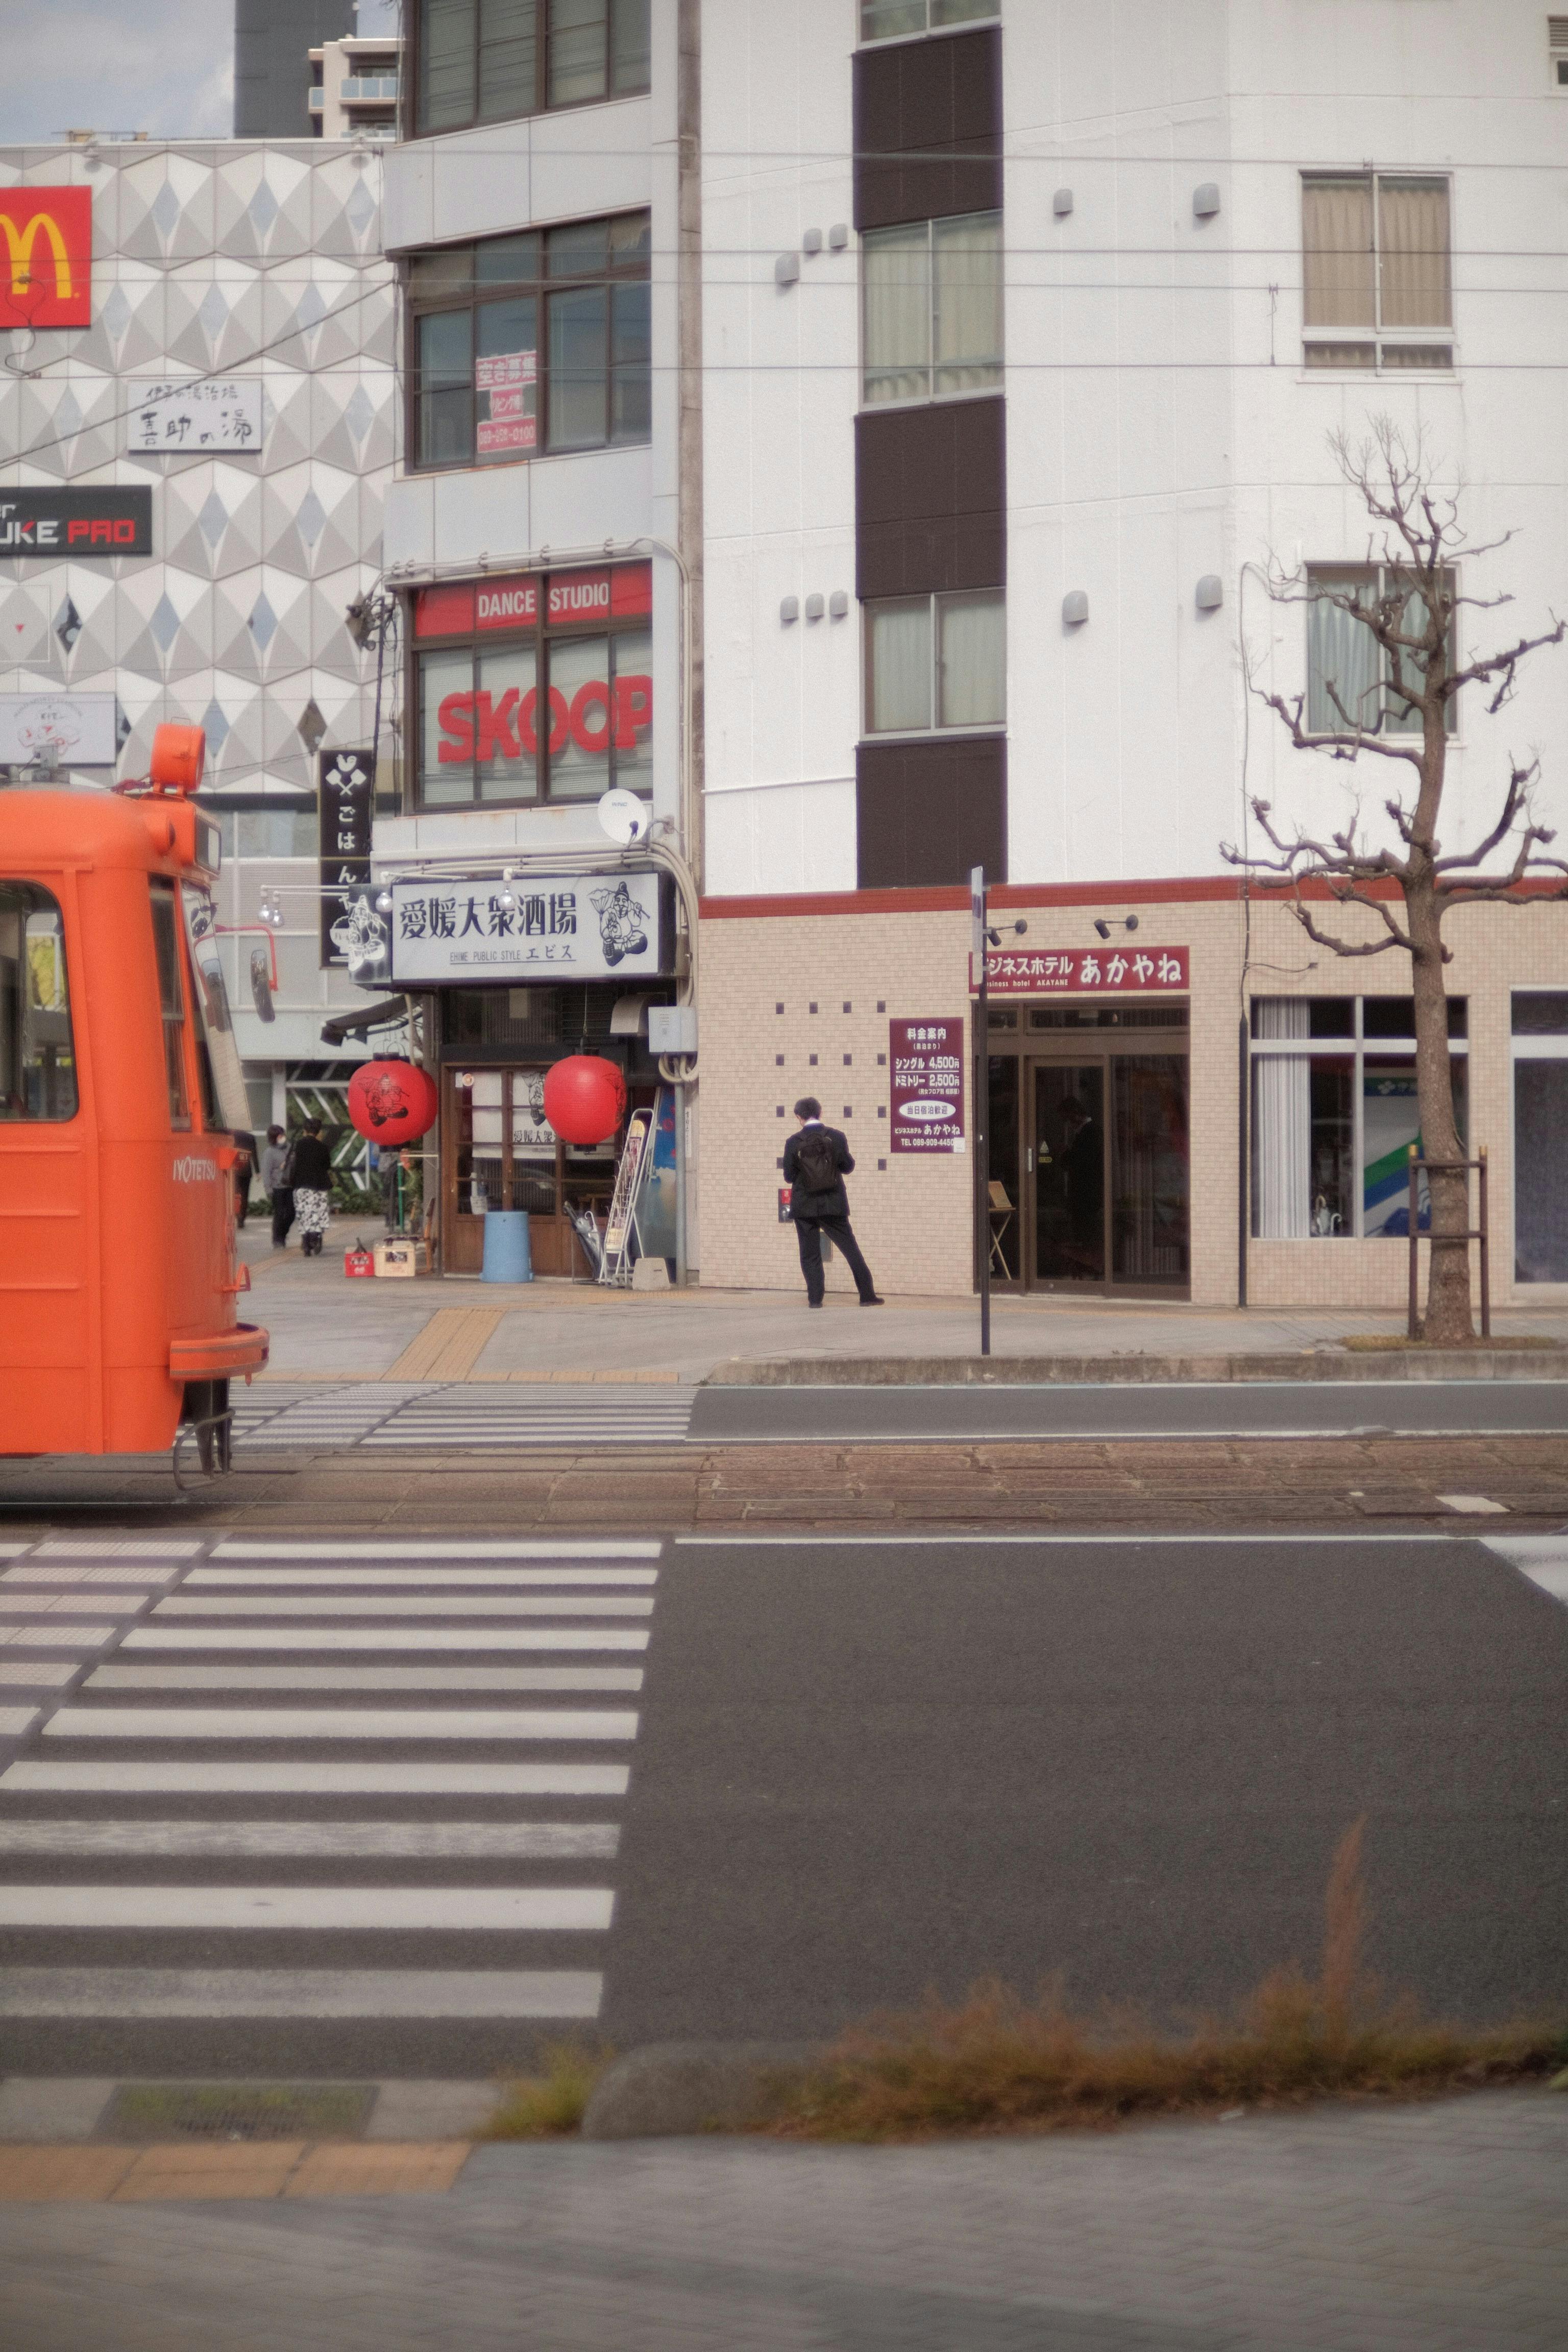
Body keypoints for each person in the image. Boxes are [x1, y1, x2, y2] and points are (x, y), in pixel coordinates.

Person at [781, 1096, 884, 1309]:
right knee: (851, 1250)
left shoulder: (793, 1142)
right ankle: (867, 1296)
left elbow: (789, 1176)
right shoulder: (836, 1137)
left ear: (799, 1117)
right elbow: (848, 1167)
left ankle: (815, 1300)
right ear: (821, 1112)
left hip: (805, 1206)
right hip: (833, 1203)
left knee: (810, 1254)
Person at [288, 1117, 334, 1258]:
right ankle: (315, 1237)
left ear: (304, 1130)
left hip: (301, 1185)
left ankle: (306, 1242)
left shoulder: (299, 1145)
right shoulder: (323, 1147)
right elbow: (327, 1166)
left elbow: (294, 1164)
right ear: (319, 1132)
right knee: (317, 1213)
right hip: (319, 1186)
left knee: (304, 1213)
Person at [260, 1124, 294, 1250]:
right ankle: (278, 1238)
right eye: (280, 1136)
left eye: (283, 1135)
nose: (282, 1138)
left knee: (291, 1213)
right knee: (279, 1213)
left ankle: (283, 1233)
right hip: (277, 1187)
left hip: (290, 1185)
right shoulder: (269, 1153)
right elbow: (266, 1172)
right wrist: (268, 1189)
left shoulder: (290, 1148)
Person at [230, 1129, 256, 1227]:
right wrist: (257, 1171)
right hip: (247, 1169)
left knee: (236, 1194)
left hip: (236, 1169)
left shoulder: (233, 1135)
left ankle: (237, 1215)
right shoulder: (251, 1137)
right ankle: (242, 1217)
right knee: (245, 1195)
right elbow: (254, 1154)